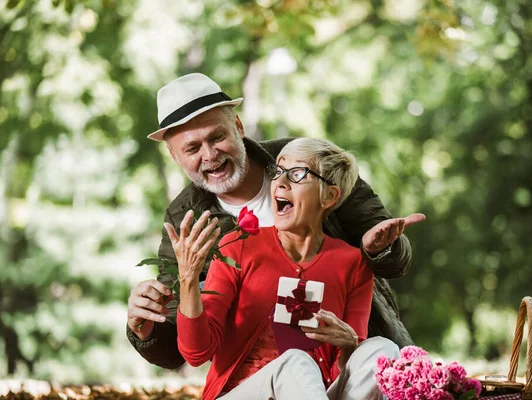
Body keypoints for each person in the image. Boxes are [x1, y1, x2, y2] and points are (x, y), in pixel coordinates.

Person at [126, 73, 425, 369]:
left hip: (357, 346)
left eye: (217, 137)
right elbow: (181, 342)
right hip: (260, 371)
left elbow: (394, 260)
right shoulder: (183, 219)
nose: (210, 154)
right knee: (295, 367)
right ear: (174, 155)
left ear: (238, 127)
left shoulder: (306, 160)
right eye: (192, 148)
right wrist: (143, 330)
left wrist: (378, 249)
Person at [171, 137, 399, 400]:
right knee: (295, 363)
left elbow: (346, 380)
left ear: (330, 196)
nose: (280, 181)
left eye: (298, 174)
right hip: (239, 394)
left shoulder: (353, 264)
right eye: (278, 171)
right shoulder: (237, 246)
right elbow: (196, 353)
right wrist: (188, 280)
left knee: (383, 350)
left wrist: (349, 343)